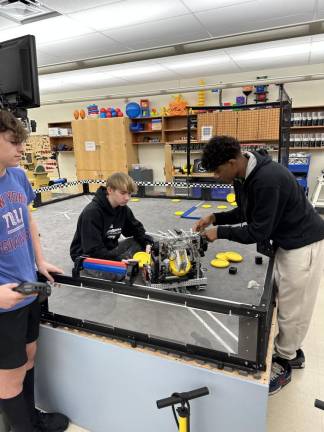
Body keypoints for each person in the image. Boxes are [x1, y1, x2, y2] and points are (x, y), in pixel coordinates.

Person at [193, 135, 324, 395]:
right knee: (284, 298)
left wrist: (220, 232)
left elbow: (258, 231)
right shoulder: (243, 176)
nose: (218, 177)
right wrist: (214, 216)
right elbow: (245, 211)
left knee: (294, 307)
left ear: (232, 162)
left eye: (219, 171)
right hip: (286, 241)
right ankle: (288, 349)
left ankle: (286, 361)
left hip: (303, 243)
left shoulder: (267, 180)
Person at [0, 110, 69, 431]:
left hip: (28, 288)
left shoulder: (17, 176)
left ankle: (30, 420)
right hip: (3, 303)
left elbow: (27, 219)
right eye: (13, 142)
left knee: (28, 361)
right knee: (8, 381)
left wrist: (39, 262)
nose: (21, 149)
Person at [70, 172, 153, 264]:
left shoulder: (123, 209)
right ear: (109, 190)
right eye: (123, 193)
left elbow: (135, 230)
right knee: (122, 271)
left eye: (129, 194)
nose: (127, 198)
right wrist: (118, 261)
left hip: (108, 250)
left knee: (140, 243)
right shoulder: (92, 213)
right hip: (87, 256)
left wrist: (147, 242)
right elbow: (93, 250)